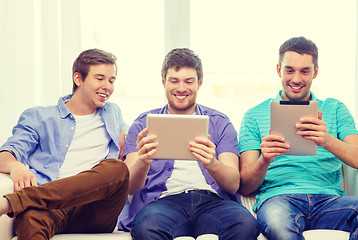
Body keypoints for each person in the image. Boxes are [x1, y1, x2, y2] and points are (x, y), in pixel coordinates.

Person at [117, 48, 259, 240]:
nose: (181, 88)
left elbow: (233, 184)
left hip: (213, 202)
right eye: (174, 81)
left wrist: (212, 164)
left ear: (199, 83)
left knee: (245, 224)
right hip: (163, 203)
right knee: (145, 227)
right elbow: (129, 188)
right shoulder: (143, 124)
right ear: (163, 82)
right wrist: (143, 161)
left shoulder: (220, 122)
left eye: (188, 81)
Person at [0, 49, 129, 240]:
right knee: (29, 216)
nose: (107, 87)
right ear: (78, 78)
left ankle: (12, 203)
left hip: (95, 209)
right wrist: (14, 165)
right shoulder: (39, 116)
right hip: (50, 206)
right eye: (100, 78)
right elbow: (6, 153)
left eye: (111, 80)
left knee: (117, 169)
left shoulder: (113, 112)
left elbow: (128, 143)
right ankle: (23, 203)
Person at [238, 36, 358, 240]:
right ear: (279, 70)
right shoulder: (254, 115)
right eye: (289, 70)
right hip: (279, 200)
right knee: (279, 227)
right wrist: (265, 159)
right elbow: (245, 186)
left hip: (330, 201)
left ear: (315, 72)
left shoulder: (335, 109)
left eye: (305, 71)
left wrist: (326, 140)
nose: (296, 79)